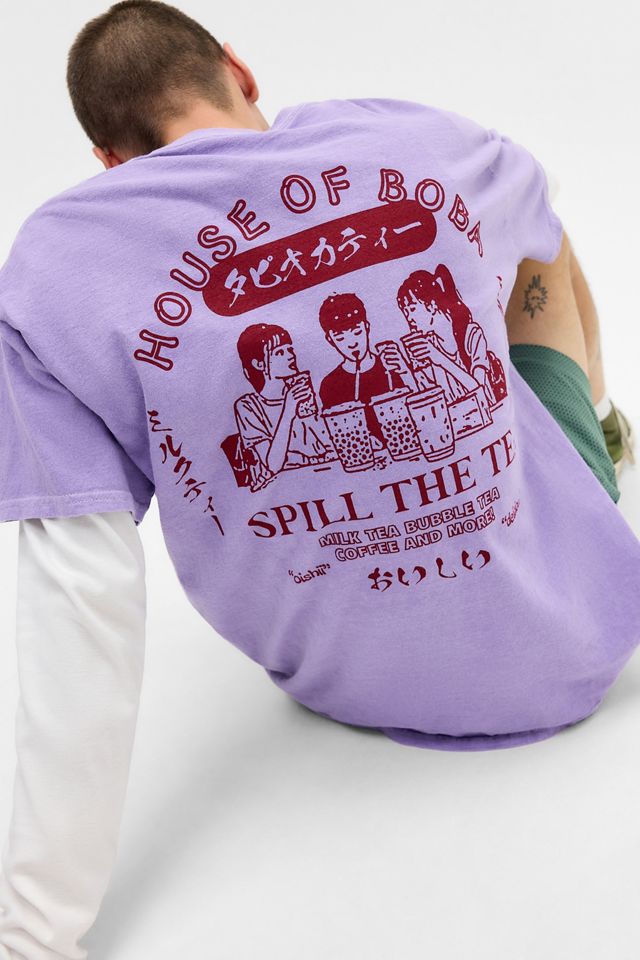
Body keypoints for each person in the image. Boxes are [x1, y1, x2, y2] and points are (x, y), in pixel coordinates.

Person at [0, 2, 638, 958]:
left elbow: (78, 601)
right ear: (241, 71)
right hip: (585, 638)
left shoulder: (55, 271)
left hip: (341, 683)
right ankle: (602, 436)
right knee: (539, 223)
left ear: (108, 161)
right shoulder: (418, 139)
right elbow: (530, 204)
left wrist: (33, 931)